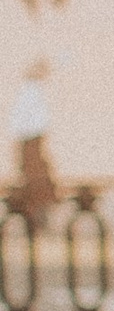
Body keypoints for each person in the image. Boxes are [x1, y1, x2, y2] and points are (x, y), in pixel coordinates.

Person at [10, 56, 56, 216]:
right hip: (31, 139)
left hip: (30, 140)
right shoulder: (31, 90)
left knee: (35, 176)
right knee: (36, 176)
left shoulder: (29, 90)